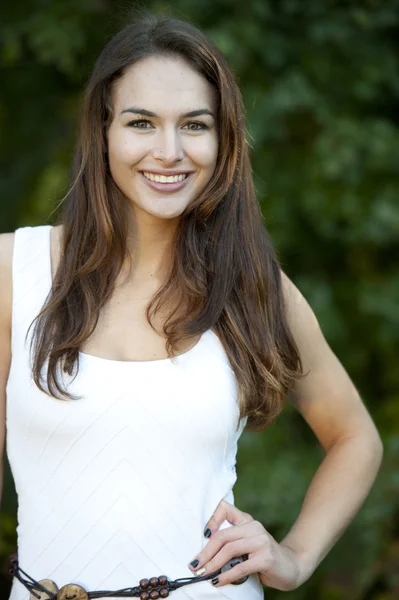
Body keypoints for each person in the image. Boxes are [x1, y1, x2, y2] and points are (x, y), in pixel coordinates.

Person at [0, 11, 383, 600]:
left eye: (195, 125)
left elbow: (355, 436)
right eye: (142, 122)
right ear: (103, 131)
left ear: (222, 138)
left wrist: (294, 556)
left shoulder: (254, 286)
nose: (169, 151)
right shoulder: (14, 270)